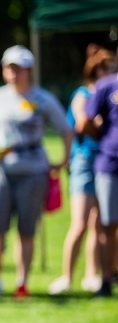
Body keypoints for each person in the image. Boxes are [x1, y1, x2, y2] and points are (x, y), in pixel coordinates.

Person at [0, 45, 72, 300]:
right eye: (9, 68)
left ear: (28, 70)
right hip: (1, 169)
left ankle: (22, 283)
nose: (14, 74)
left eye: (19, 69)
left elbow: (66, 129)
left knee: (26, 228)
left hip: (33, 170)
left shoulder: (42, 99)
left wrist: (63, 160)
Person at [48, 46, 115, 295]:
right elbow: (82, 122)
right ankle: (66, 276)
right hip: (85, 160)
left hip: (106, 162)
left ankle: (92, 274)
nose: (111, 73)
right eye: (107, 68)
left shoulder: (110, 94)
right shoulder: (84, 93)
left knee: (100, 224)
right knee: (79, 223)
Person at [84, 52, 118, 297]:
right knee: (107, 224)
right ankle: (106, 279)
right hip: (110, 164)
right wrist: (104, 141)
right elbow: (85, 121)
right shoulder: (107, 85)